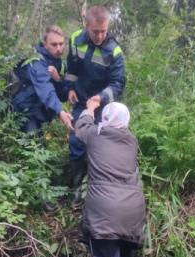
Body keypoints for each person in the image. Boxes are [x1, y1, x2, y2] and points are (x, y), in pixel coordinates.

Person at [74, 98, 144, 257]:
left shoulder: (94, 135)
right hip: (132, 209)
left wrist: (91, 107)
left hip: (105, 209)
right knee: (122, 244)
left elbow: (80, 125)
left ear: (104, 119)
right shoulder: (132, 141)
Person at [64, 5, 126, 205]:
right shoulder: (75, 39)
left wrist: (100, 98)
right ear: (86, 25)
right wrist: (70, 88)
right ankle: (75, 187)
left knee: (100, 145)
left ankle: (97, 189)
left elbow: (117, 84)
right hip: (81, 100)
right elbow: (72, 67)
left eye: (103, 31)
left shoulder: (114, 51)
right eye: (95, 31)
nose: (100, 36)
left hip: (102, 106)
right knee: (77, 140)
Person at [12, 25, 73, 133]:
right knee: (31, 145)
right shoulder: (36, 62)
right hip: (25, 112)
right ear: (45, 45)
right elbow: (46, 89)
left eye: (61, 44)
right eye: (54, 44)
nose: (59, 49)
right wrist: (60, 112)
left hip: (41, 114)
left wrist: (58, 80)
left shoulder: (60, 65)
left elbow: (63, 96)